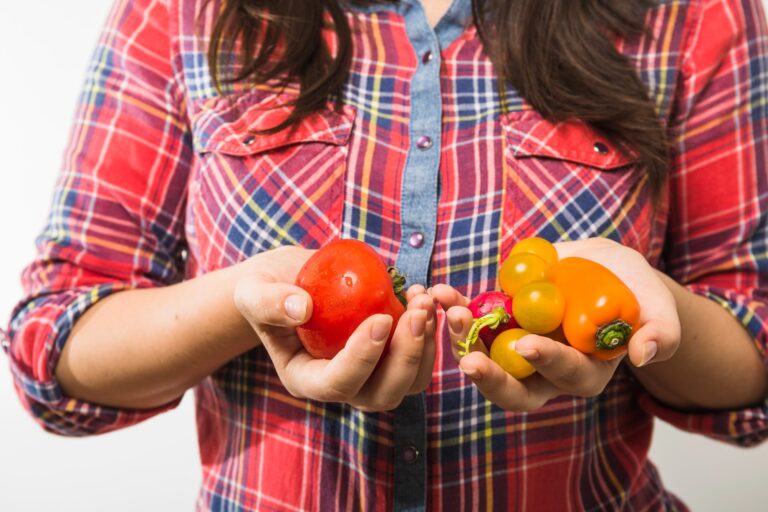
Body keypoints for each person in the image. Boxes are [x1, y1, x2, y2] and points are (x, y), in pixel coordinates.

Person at [3, 0, 768, 509]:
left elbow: (754, 359)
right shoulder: (179, 13)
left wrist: (648, 309)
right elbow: (55, 341)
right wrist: (238, 302)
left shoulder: (693, 17)